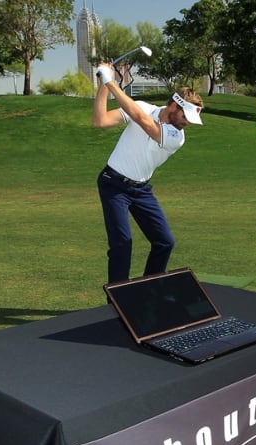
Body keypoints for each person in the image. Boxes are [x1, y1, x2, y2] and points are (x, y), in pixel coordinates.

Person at [92, 62, 203, 284]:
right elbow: (100, 121)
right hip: (113, 184)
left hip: (141, 190)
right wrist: (104, 83)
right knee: (122, 244)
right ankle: (117, 302)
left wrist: (110, 81)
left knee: (165, 241)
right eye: (185, 117)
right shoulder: (143, 106)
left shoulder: (176, 137)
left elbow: (143, 121)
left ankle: (148, 291)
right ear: (173, 105)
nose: (187, 123)